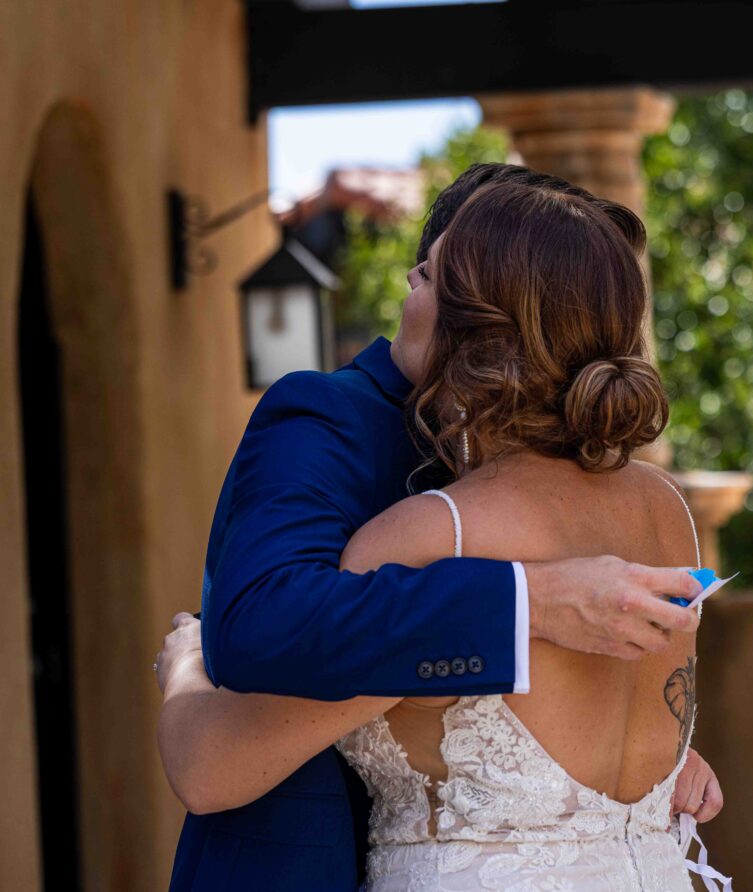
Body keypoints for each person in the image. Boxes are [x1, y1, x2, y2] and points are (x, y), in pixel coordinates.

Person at [157, 163, 724, 892]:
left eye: (425, 276)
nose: (405, 289)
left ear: (479, 325)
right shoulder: (662, 508)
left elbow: (210, 765)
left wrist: (187, 667)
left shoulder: (431, 534)